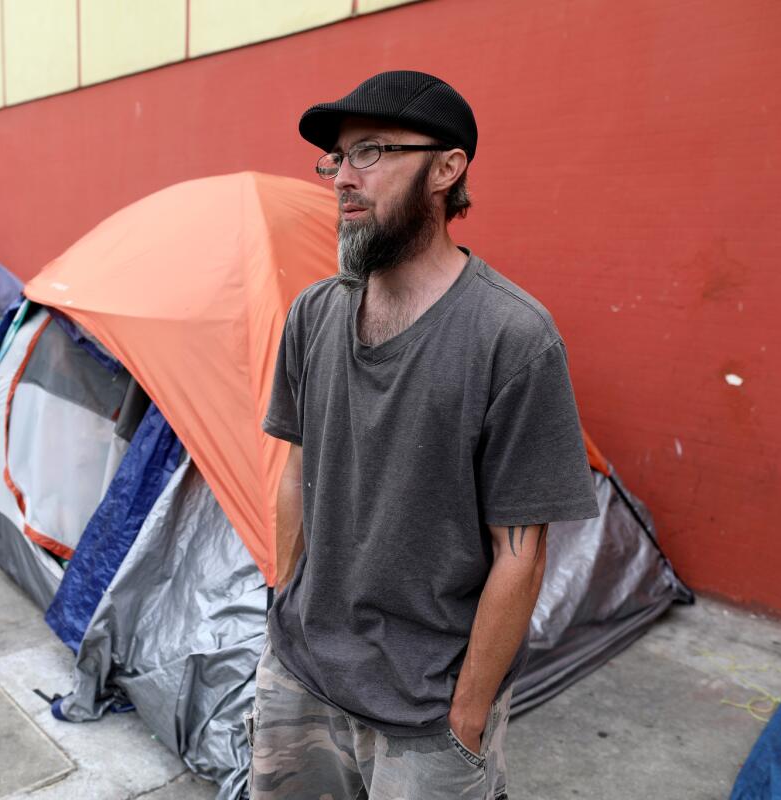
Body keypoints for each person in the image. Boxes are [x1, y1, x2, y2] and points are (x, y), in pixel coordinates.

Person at [249, 71, 600, 799]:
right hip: (299, 676)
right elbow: (295, 470)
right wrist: (285, 606)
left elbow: (521, 554)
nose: (343, 177)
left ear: (448, 169)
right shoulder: (313, 314)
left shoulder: (513, 338)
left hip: (425, 712)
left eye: (370, 151)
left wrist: (464, 719)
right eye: (336, 159)